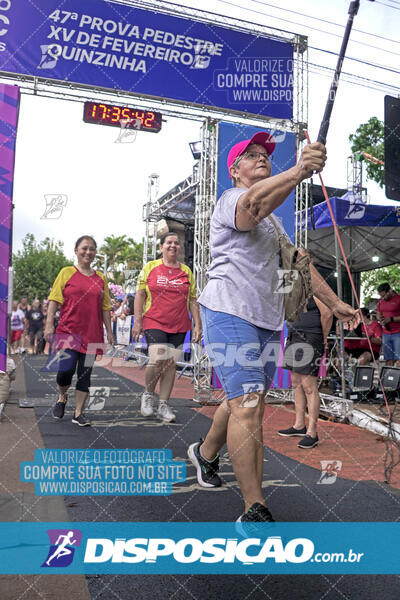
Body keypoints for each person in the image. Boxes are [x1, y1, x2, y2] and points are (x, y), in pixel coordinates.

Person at [187, 131, 360, 528]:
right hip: (228, 312)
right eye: (252, 155)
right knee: (249, 405)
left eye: (266, 154)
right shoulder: (231, 200)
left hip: (267, 322)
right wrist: (300, 170)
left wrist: (336, 304)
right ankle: (254, 509)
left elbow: (299, 266)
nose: (262, 158)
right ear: (235, 170)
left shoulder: (276, 224)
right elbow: (252, 204)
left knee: (241, 402)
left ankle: (206, 452)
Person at [44, 235, 114, 426]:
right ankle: (62, 397)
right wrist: (49, 325)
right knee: (65, 371)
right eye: (84, 248)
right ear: (76, 251)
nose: (88, 252)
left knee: (85, 374)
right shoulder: (66, 273)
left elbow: (105, 308)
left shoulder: (101, 279)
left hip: (92, 336)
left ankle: (78, 413)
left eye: (92, 249)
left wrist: (109, 332)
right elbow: (54, 300)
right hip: (68, 333)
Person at [132, 232, 202, 422]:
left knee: (170, 364)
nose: (173, 246)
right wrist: (138, 321)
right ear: (161, 247)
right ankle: (148, 394)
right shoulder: (150, 267)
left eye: (176, 243)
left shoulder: (186, 271)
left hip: (179, 323)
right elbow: (139, 295)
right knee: (157, 358)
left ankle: (163, 404)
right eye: (169, 243)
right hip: (154, 320)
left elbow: (193, 300)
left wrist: (197, 325)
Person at [278, 296, 333, 449]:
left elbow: (327, 314)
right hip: (294, 335)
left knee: (309, 386)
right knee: (295, 383)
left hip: (311, 336)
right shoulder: (293, 288)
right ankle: (299, 425)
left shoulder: (316, 287)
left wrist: (323, 338)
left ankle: (312, 433)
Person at [377, 282, 400, 367]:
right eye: (381, 296)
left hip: (398, 333)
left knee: (398, 360)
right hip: (386, 333)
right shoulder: (380, 301)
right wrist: (379, 318)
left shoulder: (398, 299)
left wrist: (391, 319)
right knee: (388, 359)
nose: (382, 298)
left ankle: (397, 379)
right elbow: (378, 313)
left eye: (384, 296)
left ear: (389, 291)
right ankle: (388, 379)